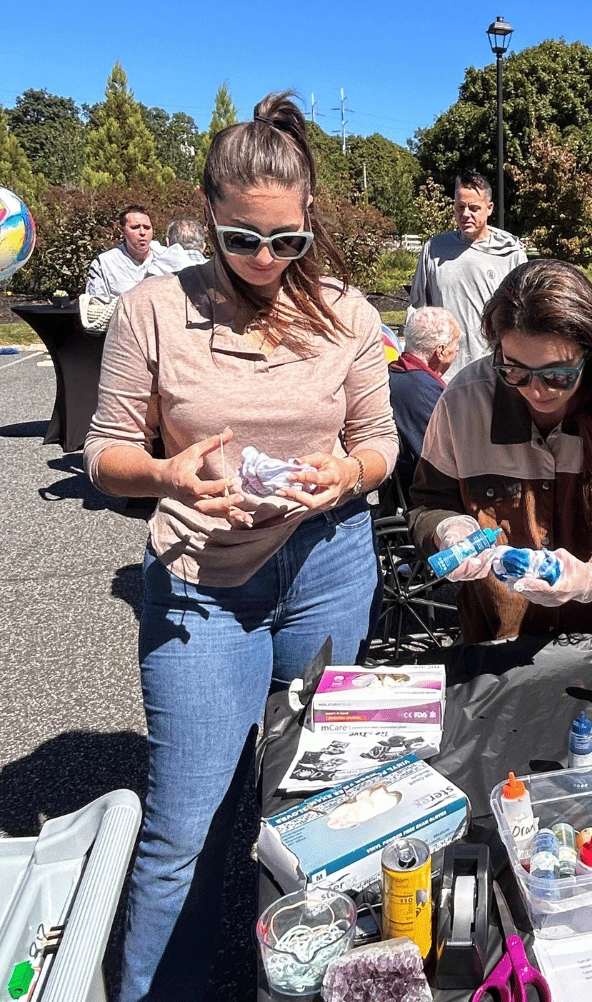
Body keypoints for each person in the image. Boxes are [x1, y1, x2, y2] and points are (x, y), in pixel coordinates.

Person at [83, 93, 398, 1002]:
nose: (266, 261)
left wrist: (347, 476)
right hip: (201, 581)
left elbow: (380, 441)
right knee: (187, 820)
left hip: (326, 561)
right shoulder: (152, 309)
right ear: (208, 218)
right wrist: (167, 475)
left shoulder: (346, 311)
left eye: (287, 242)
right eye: (243, 240)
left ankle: (309, 979)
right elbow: (106, 451)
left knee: (318, 796)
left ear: (309, 225)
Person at [408, 258, 592, 644]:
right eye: (514, 371)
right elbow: (427, 502)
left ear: (591, 349)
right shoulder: (464, 400)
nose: (537, 392)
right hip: (495, 636)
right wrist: (448, 529)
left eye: (558, 375)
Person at [409, 171, 527, 378]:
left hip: (493, 370)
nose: (465, 215)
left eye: (474, 208)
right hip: (443, 372)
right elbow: (417, 309)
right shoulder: (435, 248)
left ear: (489, 209)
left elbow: (523, 313)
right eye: (460, 207)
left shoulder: (510, 252)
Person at [389, 306, 461, 501]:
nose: (457, 351)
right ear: (441, 351)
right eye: (456, 346)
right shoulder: (427, 391)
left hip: (397, 494)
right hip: (428, 497)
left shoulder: (391, 375)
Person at [85, 205, 162, 300]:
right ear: (122, 231)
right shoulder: (104, 264)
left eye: (147, 227)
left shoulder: (166, 258)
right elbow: (95, 307)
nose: (142, 232)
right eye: (135, 227)